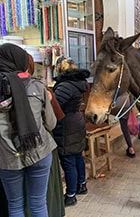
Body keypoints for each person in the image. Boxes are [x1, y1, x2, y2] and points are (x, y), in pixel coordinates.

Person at [0, 43, 57, 217]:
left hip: (7, 158)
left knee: (15, 205)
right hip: (39, 151)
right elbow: (51, 123)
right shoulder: (37, 87)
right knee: (38, 203)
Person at [52, 56, 90, 206]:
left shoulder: (65, 86)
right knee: (77, 157)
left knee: (68, 161)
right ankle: (82, 185)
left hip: (66, 125)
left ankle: (70, 194)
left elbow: (56, 107)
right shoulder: (79, 83)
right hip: (77, 121)